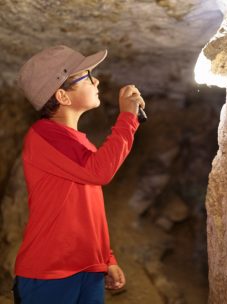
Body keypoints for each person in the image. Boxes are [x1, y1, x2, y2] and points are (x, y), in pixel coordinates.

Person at [11, 45, 146, 303]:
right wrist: (128, 117)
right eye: (87, 76)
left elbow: (87, 211)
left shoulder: (80, 144)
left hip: (88, 270)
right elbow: (100, 172)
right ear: (62, 96)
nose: (97, 81)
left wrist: (107, 259)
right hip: (49, 273)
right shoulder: (44, 135)